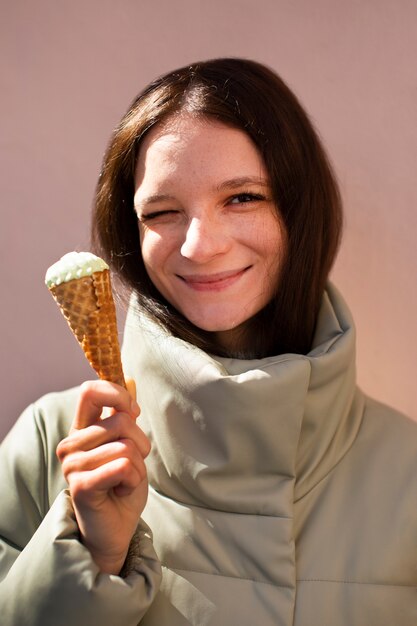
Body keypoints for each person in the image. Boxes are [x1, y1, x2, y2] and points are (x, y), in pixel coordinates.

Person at [0, 58, 416, 626]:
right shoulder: (51, 446)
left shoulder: (408, 472)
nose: (199, 245)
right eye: (163, 212)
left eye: (241, 197)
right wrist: (90, 558)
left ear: (300, 210)